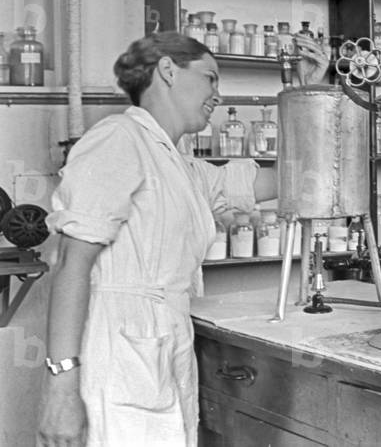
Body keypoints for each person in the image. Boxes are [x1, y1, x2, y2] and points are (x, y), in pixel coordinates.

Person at [36, 31, 329, 447]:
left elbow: (296, 179)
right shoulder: (119, 139)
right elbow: (71, 263)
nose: (217, 94)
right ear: (168, 71)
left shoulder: (183, 168)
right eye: (210, 77)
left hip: (160, 346)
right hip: (114, 353)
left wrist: (308, 94)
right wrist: (60, 387)